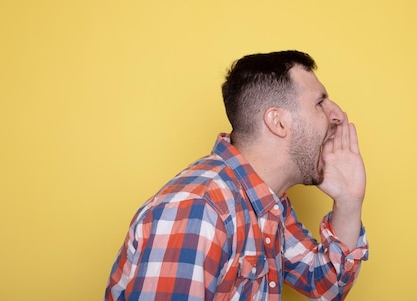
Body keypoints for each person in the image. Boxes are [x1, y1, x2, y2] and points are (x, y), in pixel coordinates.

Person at [105, 50, 369, 301]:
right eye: (320, 103)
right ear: (278, 122)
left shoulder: (267, 203)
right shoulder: (197, 211)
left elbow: (327, 285)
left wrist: (348, 200)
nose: (338, 115)